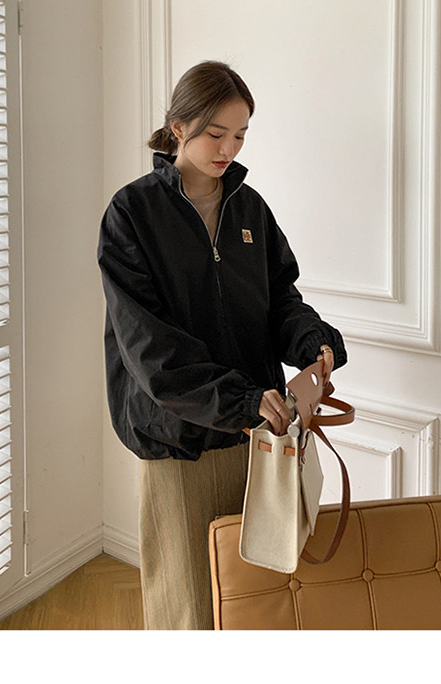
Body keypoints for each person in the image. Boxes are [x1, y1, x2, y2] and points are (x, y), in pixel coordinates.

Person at [97, 60, 346, 629]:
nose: (228, 149)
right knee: (188, 602)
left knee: (256, 593)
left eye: (240, 135)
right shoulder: (132, 213)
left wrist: (312, 343)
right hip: (178, 436)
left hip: (258, 434)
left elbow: (279, 299)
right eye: (216, 133)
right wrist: (240, 400)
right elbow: (149, 348)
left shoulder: (250, 208)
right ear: (178, 127)